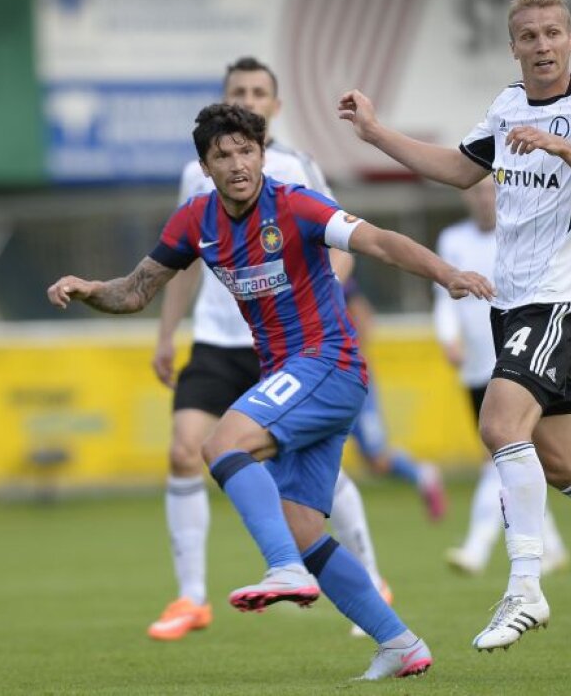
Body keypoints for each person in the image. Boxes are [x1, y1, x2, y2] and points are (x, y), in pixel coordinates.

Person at [48, 103, 494, 678]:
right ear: (205, 167)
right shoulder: (195, 221)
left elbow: (378, 242)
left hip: (328, 364)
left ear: (262, 153)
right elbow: (135, 292)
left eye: (245, 150)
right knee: (305, 525)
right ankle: (399, 642)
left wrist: (448, 274)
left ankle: (284, 568)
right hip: (294, 376)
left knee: (220, 445)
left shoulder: (296, 204)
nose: (237, 163)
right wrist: (88, 289)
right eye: (222, 155)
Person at [338, 0, 571, 652]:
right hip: (510, 304)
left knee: (498, 423)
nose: (541, 45)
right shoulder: (509, 105)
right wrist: (375, 133)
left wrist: (563, 149)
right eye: (528, 36)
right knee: (563, 462)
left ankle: (525, 588)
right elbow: (459, 168)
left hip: (558, 296)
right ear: (514, 47)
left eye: (551, 33)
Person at [146, 57, 390, 642]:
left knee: (314, 483)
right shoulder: (196, 176)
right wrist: (166, 331)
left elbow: (343, 239)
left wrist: (312, 303)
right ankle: (191, 597)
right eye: (239, 91)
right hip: (215, 337)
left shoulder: (295, 169)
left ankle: (372, 578)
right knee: (186, 451)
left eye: (260, 92)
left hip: (288, 345)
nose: (250, 99)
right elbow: (181, 258)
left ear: (275, 107)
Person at [434, 177, 571, 577]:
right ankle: (552, 546)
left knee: (500, 457)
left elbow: (555, 293)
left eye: (490, 191)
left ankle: (476, 549)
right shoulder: (452, 239)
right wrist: (449, 338)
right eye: (476, 191)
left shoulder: (521, 235)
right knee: (517, 459)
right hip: (476, 367)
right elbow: (443, 298)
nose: (484, 199)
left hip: (519, 360)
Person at [343, 275, 447, 521]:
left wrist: (354, 357)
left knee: (377, 459)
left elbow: (364, 317)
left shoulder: (340, 281)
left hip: (354, 380)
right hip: (329, 378)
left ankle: (423, 474)